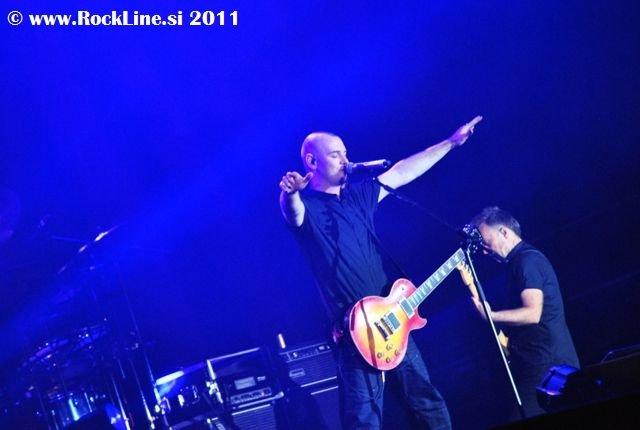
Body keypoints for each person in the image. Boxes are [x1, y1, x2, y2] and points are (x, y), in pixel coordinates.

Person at [278, 116, 482, 429]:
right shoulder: (309, 207)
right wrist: (291, 193)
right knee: (365, 419)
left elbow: (401, 171)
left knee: (427, 402)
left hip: (393, 318)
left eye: (346, 153)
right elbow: (293, 213)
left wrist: (451, 143)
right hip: (356, 332)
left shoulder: (359, 196)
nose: (345, 160)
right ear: (312, 161)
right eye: (335, 154)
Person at [469, 206, 580, 419]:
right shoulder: (517, 263)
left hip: (548, 366)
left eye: (487, 242)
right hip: (543, 363)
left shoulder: (527, 261)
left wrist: (491, 316)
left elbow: (532, 313)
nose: (484, 250)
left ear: (504, 232)